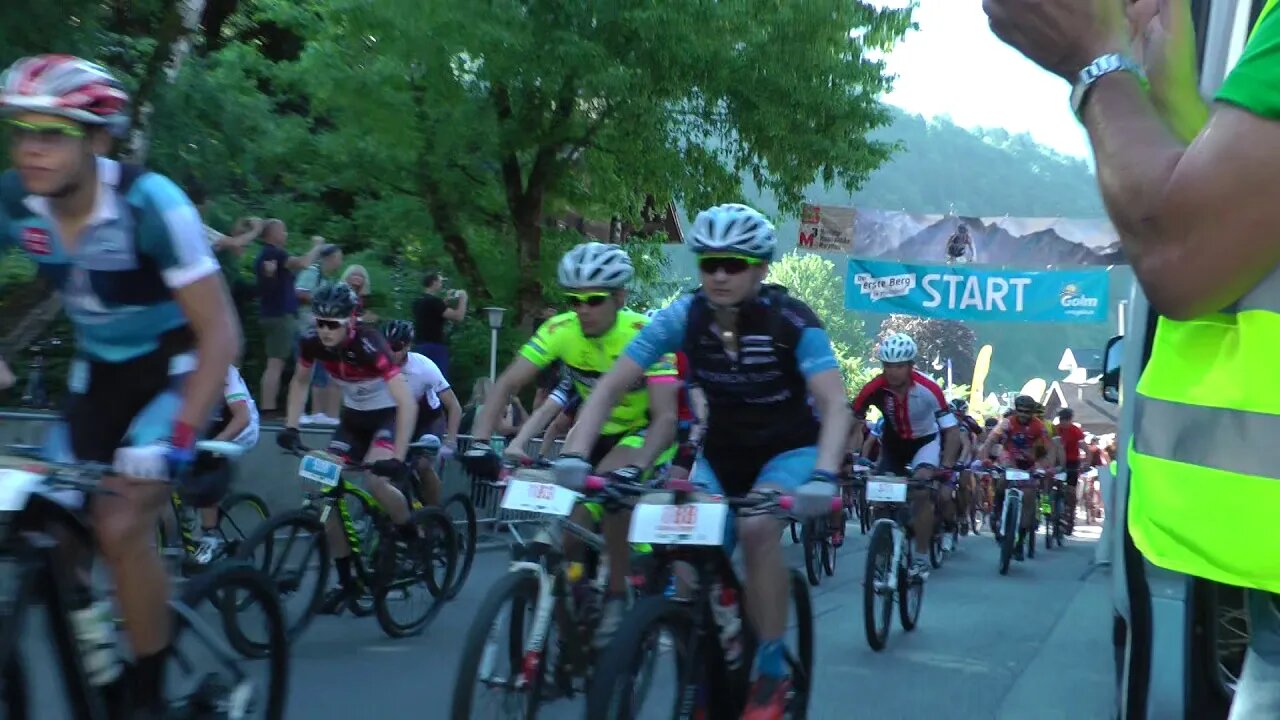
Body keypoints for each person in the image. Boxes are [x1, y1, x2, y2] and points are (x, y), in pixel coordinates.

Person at [984, 0, 1280, 710]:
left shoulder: (1056, 432)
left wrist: (1095, 66)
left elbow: (1185, 252)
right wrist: (1171, 94)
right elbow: (1241, 215)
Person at [0, 55, 241, 716]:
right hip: (98, 378)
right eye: (21, 132)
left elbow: (221, 334)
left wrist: (182, 442)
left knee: (117, 519)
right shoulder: (14, 200)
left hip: (178, 372)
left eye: (53, 133)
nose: (31, 150)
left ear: (98, 139)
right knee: (43, 529)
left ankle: (147, 693)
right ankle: (95, 647)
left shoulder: (152, 204)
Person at [554, 206, 849, 719]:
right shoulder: (681, 316)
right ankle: (706, 675)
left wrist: (824, 474)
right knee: (687, 568)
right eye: (709, 263)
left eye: (733, 264)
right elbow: (612, 384)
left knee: (758, 531)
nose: (718, 274)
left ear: (759, 268)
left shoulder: (793, 320)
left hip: (790, 451)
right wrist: (577, 453)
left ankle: (772, 674)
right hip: (722, 455)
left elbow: (833, 404)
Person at [464, 241, 680, 653]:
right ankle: (569, 614)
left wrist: (639, 464)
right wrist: (478, 445)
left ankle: (617, 594)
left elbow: (667, 418)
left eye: (594, 300)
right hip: (591, 432)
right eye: (574, 299)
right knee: (567, 536)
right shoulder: (560, 330)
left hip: (642, 432)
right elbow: (508, 384)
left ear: (620, 297)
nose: (582, 308)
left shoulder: (645, 334)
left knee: (609, 494)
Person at [275, 283, 419, 613]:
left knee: (376, 482)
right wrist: (291, 426)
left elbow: (406, 401)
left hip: (387, 417)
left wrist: (397, 456)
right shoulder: (312, 343)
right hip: (352, 421)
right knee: (326, 494)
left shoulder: (370, 343)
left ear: (350, 321)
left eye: (333, 324)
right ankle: (346, 582)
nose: (324, 330)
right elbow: (299, 382)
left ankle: (411, 538)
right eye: (320, 322)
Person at [849, 333, 962, 574]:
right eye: (887, 366)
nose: (893, 372)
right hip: (893, 444)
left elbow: (951, 432)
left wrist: (948, 465)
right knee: (881, 494)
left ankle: (920, 557)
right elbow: (851, 423)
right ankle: (882, 548)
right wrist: (849, 457)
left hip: (926, 442)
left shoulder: (930, 389)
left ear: (911, 365)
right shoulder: (874, 388)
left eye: (899, 366)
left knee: (921, 490)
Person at [382, 319, 461, 506]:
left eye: (396, 347)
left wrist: (451, 440)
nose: (390, 353)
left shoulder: (424, 367)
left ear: (408, 346)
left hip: (428, 419)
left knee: (422, 466)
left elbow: (454, 405)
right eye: (385, 347)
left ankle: (434, 515)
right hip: (398, 418)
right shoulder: (374, 365)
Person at [254, 220, 323, 418]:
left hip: (270, 313)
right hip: (279, 315)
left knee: (275, 362)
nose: (285, 233)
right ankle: (268, 409)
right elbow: (303, 263)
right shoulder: (274, 253)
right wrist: (317, 246)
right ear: (272, 233)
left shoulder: (267, 255)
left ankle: (269, 407)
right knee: (275, 363)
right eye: (282, 230)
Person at [193, 364, 261, 563]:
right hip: (210, 424)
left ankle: (209, 538)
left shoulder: (223, 369)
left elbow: (242, 418)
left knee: (207, 464)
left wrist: (215, 444)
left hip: (240, 426)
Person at [976, 394, 1053, 562]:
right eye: (1020, 411)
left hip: (1029, 461)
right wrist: (984, 458)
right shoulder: (1007, 422)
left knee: (1029, 498)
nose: (1024, 414)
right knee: (1003, 479)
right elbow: (990, 441)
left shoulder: (1039, 426)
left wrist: (1047, 467)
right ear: (1016, 410)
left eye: (1027, 412)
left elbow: (1049, 449)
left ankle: (1020, 541)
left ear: (1033, 413)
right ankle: (997, 511)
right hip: (1009, 457)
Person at [296, 242, 344, 422]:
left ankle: (318, 413)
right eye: (338, 258)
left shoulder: (327, 278)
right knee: (305, 371)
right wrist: (322, 301)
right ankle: (299, 412)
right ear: (329, 258)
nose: (340, 263)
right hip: (305, 329)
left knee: (320, 371)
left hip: (320, 331)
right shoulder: (312, 272)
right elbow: (300, 292)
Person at [412, 270, 468, 380]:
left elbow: (432, 313)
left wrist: (445, 301)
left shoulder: (418, 302)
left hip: (419, 346)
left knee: (421, 381)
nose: (441, 284)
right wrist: (463, 299)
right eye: (440, 281)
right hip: (435, 347)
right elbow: (458, 316)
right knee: (438, 381)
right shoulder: (434, 302)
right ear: (434, 282)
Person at [1055, 407, 1085, 533]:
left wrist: (1087, 463)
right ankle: (1048, 509)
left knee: (1071, 491)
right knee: (1051, 485)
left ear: (1070, 420)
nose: (1064, 423)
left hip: (1072, 462)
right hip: (1056, 461)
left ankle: (1070, 516)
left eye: (1067, 420)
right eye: (1062, 420)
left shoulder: (1076, 431)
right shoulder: (1055, 430)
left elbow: (1085, 448)